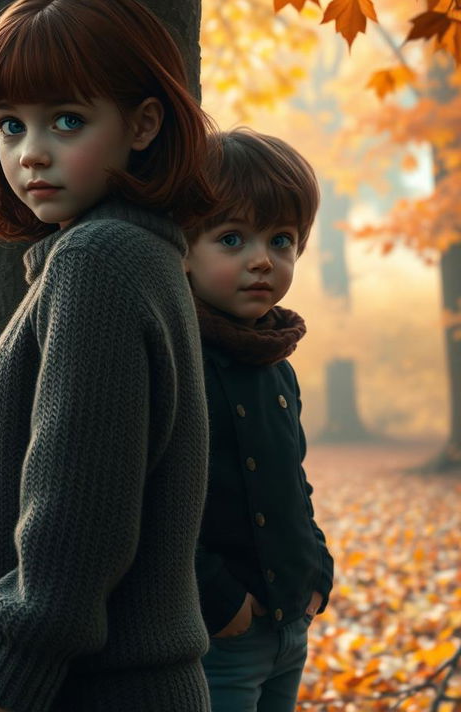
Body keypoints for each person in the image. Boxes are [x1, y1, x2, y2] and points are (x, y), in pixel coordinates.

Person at [0, 0, 216, 712]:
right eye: (8, 126)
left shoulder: (100, 264)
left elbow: (73, 531)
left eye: (65, 120)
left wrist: (0, 694)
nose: (30, 155)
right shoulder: (143, 258)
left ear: (143, 124)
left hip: (70, 695)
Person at [184, 128, 334, 712]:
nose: (261, 260)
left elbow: (292, 479)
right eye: (231, 239)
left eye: (282, 240)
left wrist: (316, 566)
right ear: (185, 249)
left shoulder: (276, 365)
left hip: (290, 623)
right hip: (220, 637)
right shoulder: (179, 357)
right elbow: (154, 498)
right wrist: (218, 598)